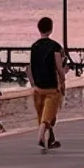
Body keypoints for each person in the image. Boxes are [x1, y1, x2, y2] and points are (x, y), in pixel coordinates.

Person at [29, 15, 65, 153]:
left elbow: (30, 67)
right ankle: (40, 138)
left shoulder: (34, 46)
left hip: (38, 87)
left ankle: (51, 140)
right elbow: (59, 67)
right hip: (51, 87)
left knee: (42, 117)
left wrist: (33, 84)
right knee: (48, 118)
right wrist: (62, 80)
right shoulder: (55, 46)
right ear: (51, 29)